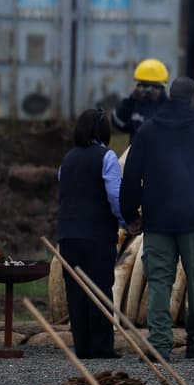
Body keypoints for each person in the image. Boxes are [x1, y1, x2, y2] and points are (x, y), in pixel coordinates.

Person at [120, 78, 194, 361]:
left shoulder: (147, 132)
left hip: (158, 223)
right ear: (193, 99)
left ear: (170, 97)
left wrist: (130, 215)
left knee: (158, 284)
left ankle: (159, 345)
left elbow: (131, 177)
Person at [57, 108, 127, 360]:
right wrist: (126, 221)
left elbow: (64, 194)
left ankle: (82, 347)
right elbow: (115, 196)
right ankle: (101, 347)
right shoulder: (106, 157)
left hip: (67, 235)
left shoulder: (67, 159)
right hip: (97, 236)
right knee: (99, 290)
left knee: (75, 293)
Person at [112, 58, 168, 143]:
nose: (148, 90)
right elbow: (118, 122)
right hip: (136, 154)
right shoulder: (135, 103)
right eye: (144, 85)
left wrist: (160, 100)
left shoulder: (168, 107)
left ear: (161, 87)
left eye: (153, 86)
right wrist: (131, 99)